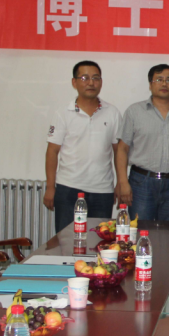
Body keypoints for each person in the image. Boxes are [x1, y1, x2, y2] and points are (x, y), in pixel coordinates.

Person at [44, 61, 121, 233]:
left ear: (101, 82)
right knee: (66, 240)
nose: (91, 83)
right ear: (74, 82)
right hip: (68, 188)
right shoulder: (63, 113)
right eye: (85, 78)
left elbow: (119, 151)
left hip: (102, 190)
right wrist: (50, 187)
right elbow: (52, 151)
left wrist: (120, 182)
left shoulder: (112, 113)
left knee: (99, 241)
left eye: (96, 78)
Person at [114, 64, 169, 222]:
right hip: (141, 182)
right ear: (150, 84)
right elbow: (122, 149)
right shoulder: (134, 111)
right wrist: (123, 182)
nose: (164, 83)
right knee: (140, 231)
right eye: (159, 79)